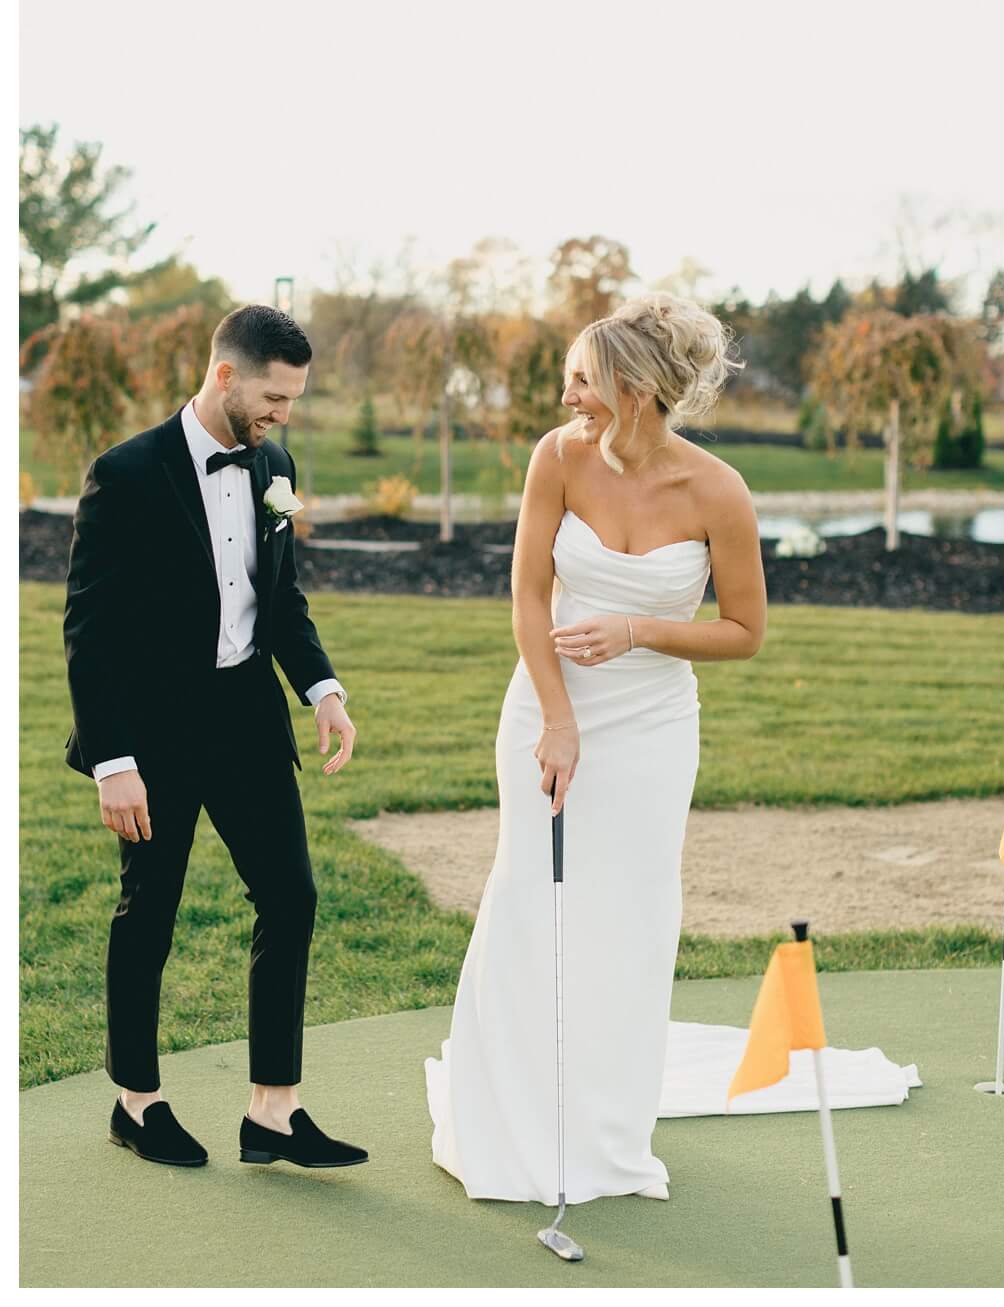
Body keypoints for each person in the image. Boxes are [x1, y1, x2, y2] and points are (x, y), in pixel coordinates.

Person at [425, 294, 766, 1201]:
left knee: (630, 919)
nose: (566, 391)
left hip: (652, 732)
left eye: (582, 377)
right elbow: (529, 597)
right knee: (529, 901)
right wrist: (558, 716)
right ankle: (510, 1122)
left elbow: (744, 631)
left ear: (635, 387)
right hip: (547, 712)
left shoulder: (717, 491)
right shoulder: (558, 456)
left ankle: (605, 1131)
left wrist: (641, 630)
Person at [64, 304, 367, 1170]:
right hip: (151, 738)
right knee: (149, 911)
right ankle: (138, 1102)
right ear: (226, 375)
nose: (285, 414)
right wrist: (112, 762)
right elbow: (90, 629)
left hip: (246, 720)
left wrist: (323, 689)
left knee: (292, 897)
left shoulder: (274, 462)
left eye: (295, 399)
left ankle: (273, 1111)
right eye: (275, 395)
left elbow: (281, 597)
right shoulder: (125, 473)